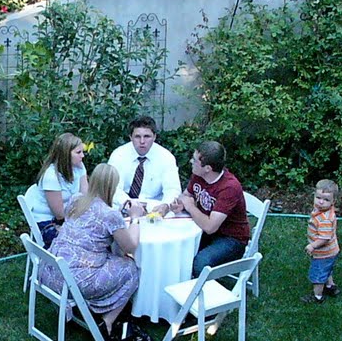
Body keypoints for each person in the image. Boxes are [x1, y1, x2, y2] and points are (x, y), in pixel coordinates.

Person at [42, 163, 141, 341]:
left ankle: (93, 313)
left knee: (111, 257)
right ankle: (107, 321)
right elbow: (130, 247)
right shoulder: (111, 215)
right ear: (112, 187)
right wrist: (135, 218)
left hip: (50, 271)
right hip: (75, 281)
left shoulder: (76, 199)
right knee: (131, 268)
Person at [175, 139, 250, 275]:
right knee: (177, 249)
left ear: (208, 168)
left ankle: (202, 293)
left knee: (200, 264)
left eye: (195, 160)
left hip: (231, 238)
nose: (191, 162)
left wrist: (191, 207)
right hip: (205, 229)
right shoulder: (198, 175)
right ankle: (180, 283)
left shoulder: (229, 187)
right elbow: (185, 196)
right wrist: (178, 205)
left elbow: (210, 227)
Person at [107, 115, 182, 216]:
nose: (142, 141)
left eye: (147, 136)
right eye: (137, 137)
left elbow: (173, 189)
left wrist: (166, 205)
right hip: (123, 206)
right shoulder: (118, 155)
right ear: (130, 137)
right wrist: (131, 205)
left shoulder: (166, 157)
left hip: (155, 208)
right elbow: (113, 188)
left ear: (154, 137)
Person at [28, 132, 89, 247]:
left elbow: (86, 198)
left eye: (82, 152)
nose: (82, 156)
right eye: (78, 152)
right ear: (65, 155)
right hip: (47, 222)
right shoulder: (51, 176)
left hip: (70, 217)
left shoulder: (79, 167)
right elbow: (59, 214)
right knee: (81, 240)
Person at [305, 178, 341, 303]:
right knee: (326, 269)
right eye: (318, 197)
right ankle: (331, 286)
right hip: (330, 252)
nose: (321, 202)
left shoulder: (325, 219)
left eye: (326, 200)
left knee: (318, 274)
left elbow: (324, 238)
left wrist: (313, 246)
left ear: (333, 201)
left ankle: (317, 296)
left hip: (323, 253)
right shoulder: (321, 210)